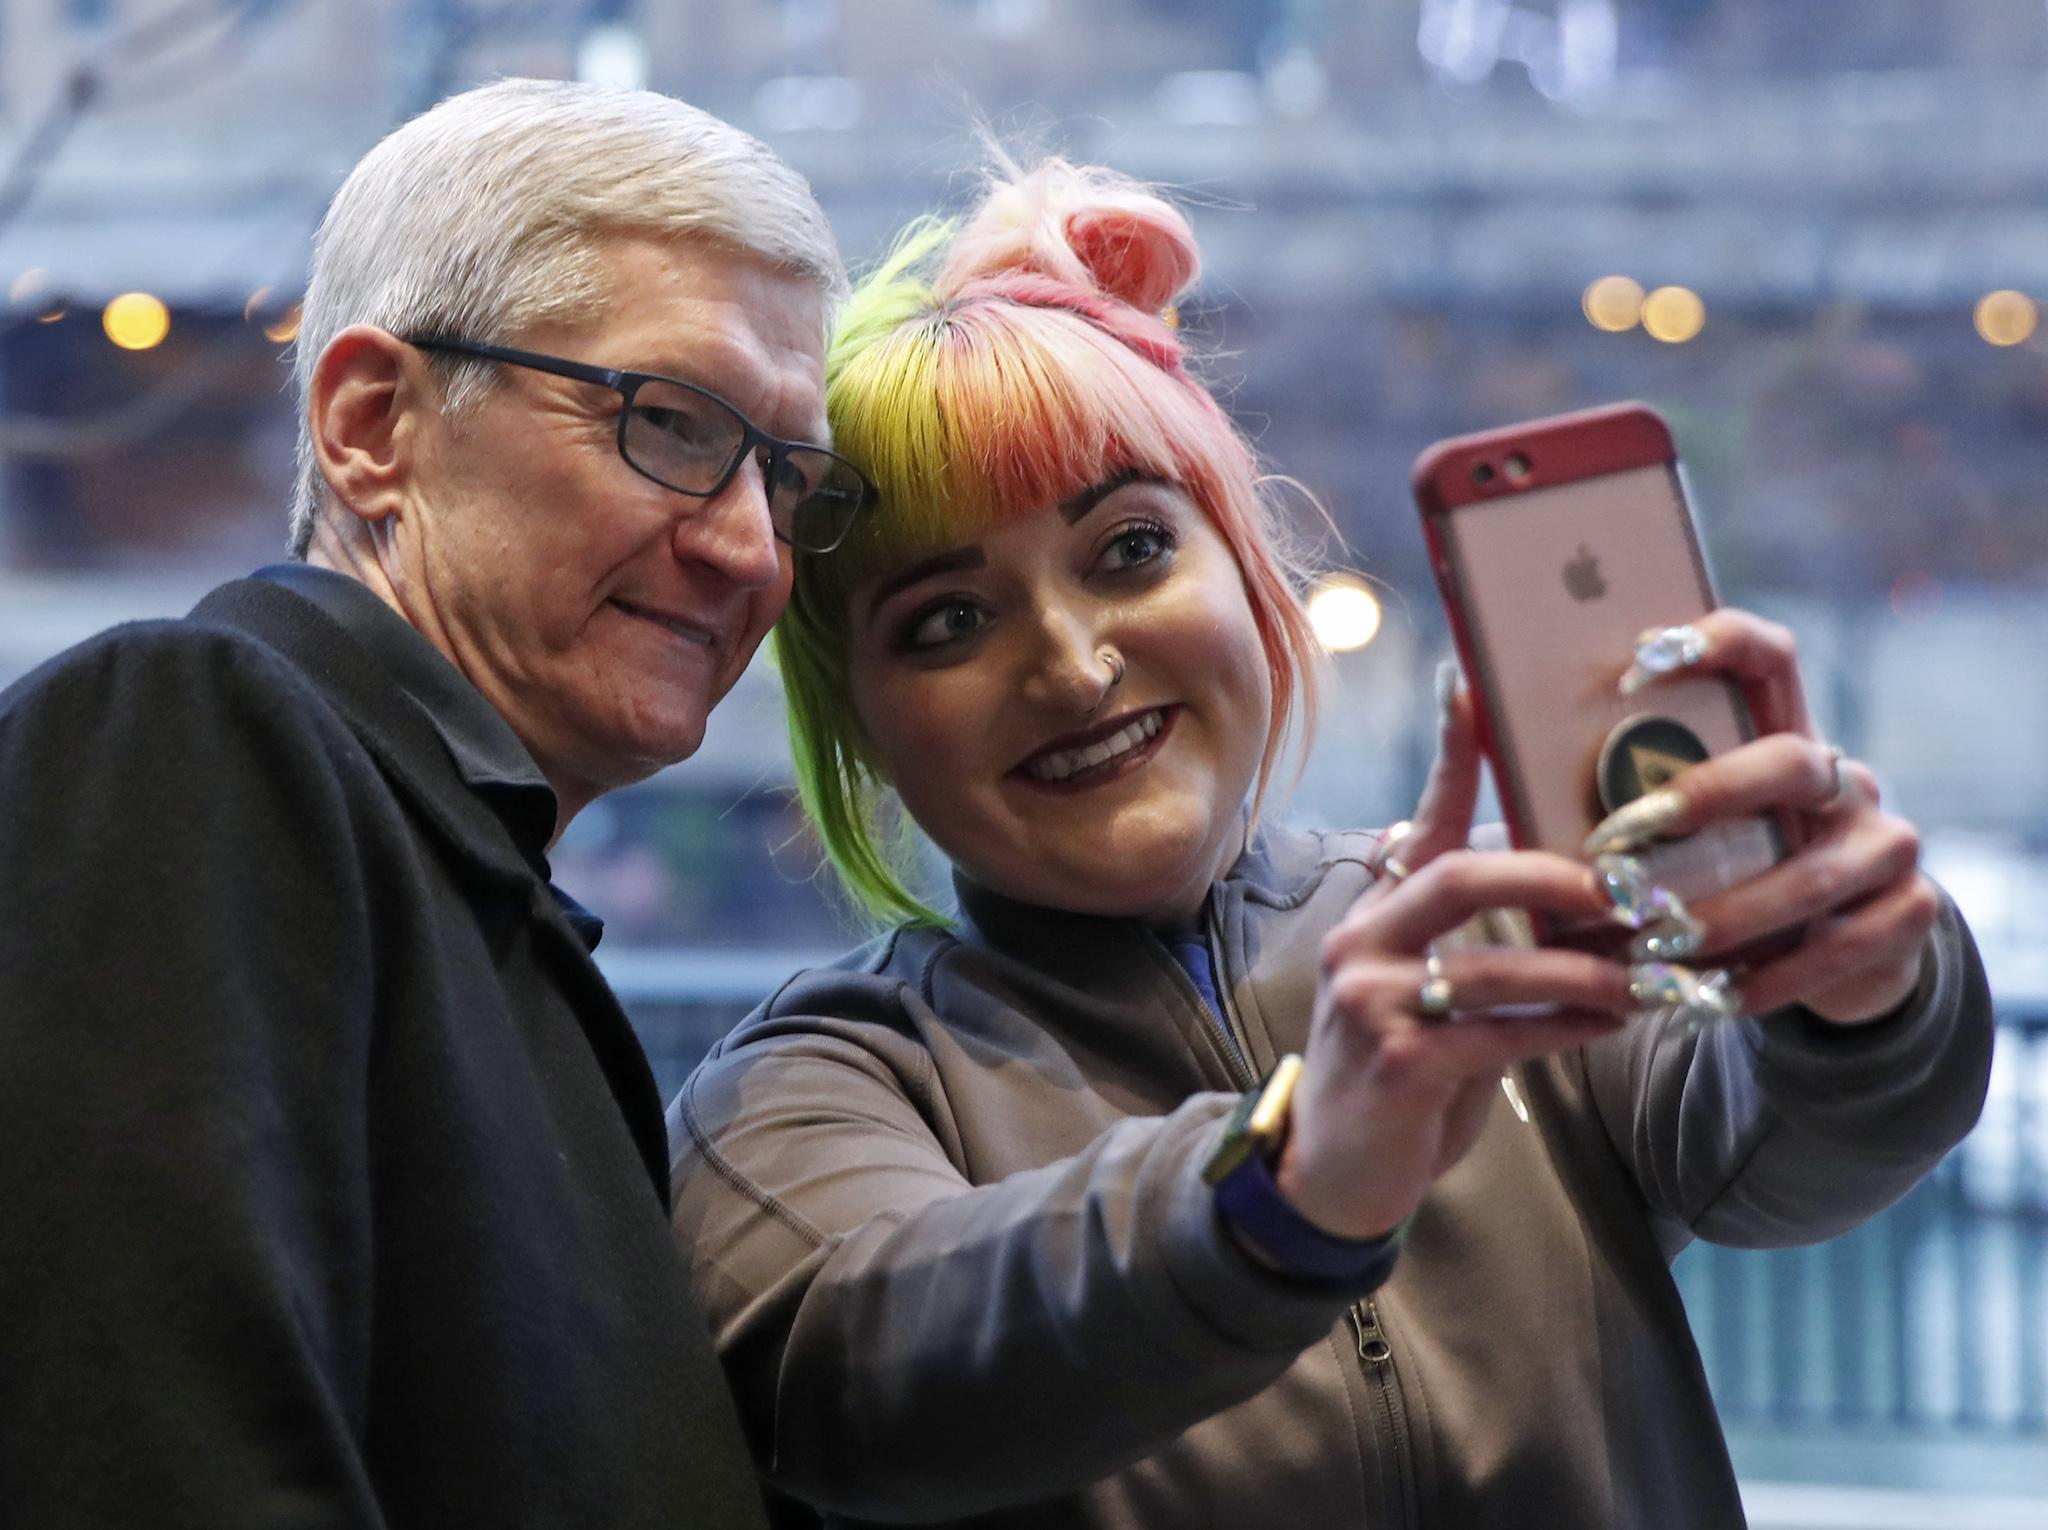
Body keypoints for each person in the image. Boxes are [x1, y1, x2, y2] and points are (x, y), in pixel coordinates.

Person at [669, 159, 1994, 1529]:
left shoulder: (1494, 926)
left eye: (1128, 548)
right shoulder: (802, 1091)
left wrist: (1858, 990)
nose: (1070, 664)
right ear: (867, 728)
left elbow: (1788, 1153)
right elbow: (870, 1377)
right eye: (945, 621)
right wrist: (1289, 1179)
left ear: (1249, 576)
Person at [0, 78, 872, 1528]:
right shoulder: (193, 732)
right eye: (671, 422)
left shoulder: (469, 880)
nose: (750, 550)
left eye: (791, 482)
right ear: (371, 422)